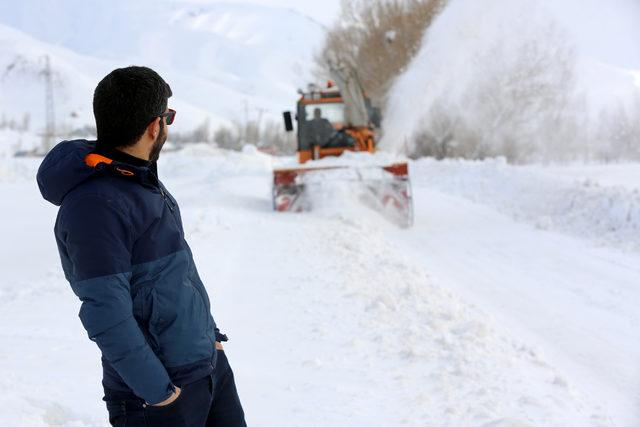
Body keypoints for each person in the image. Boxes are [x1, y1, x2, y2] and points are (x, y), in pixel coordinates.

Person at [36, 66, 246, 427]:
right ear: (154, 126)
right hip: (159, 395)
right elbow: (106, 313)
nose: (167, 125)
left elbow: (176, 276)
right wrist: (160, 393)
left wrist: (212, 340)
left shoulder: (140, 182)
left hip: (206, 369)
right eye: (168, 117)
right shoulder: (97, 204)